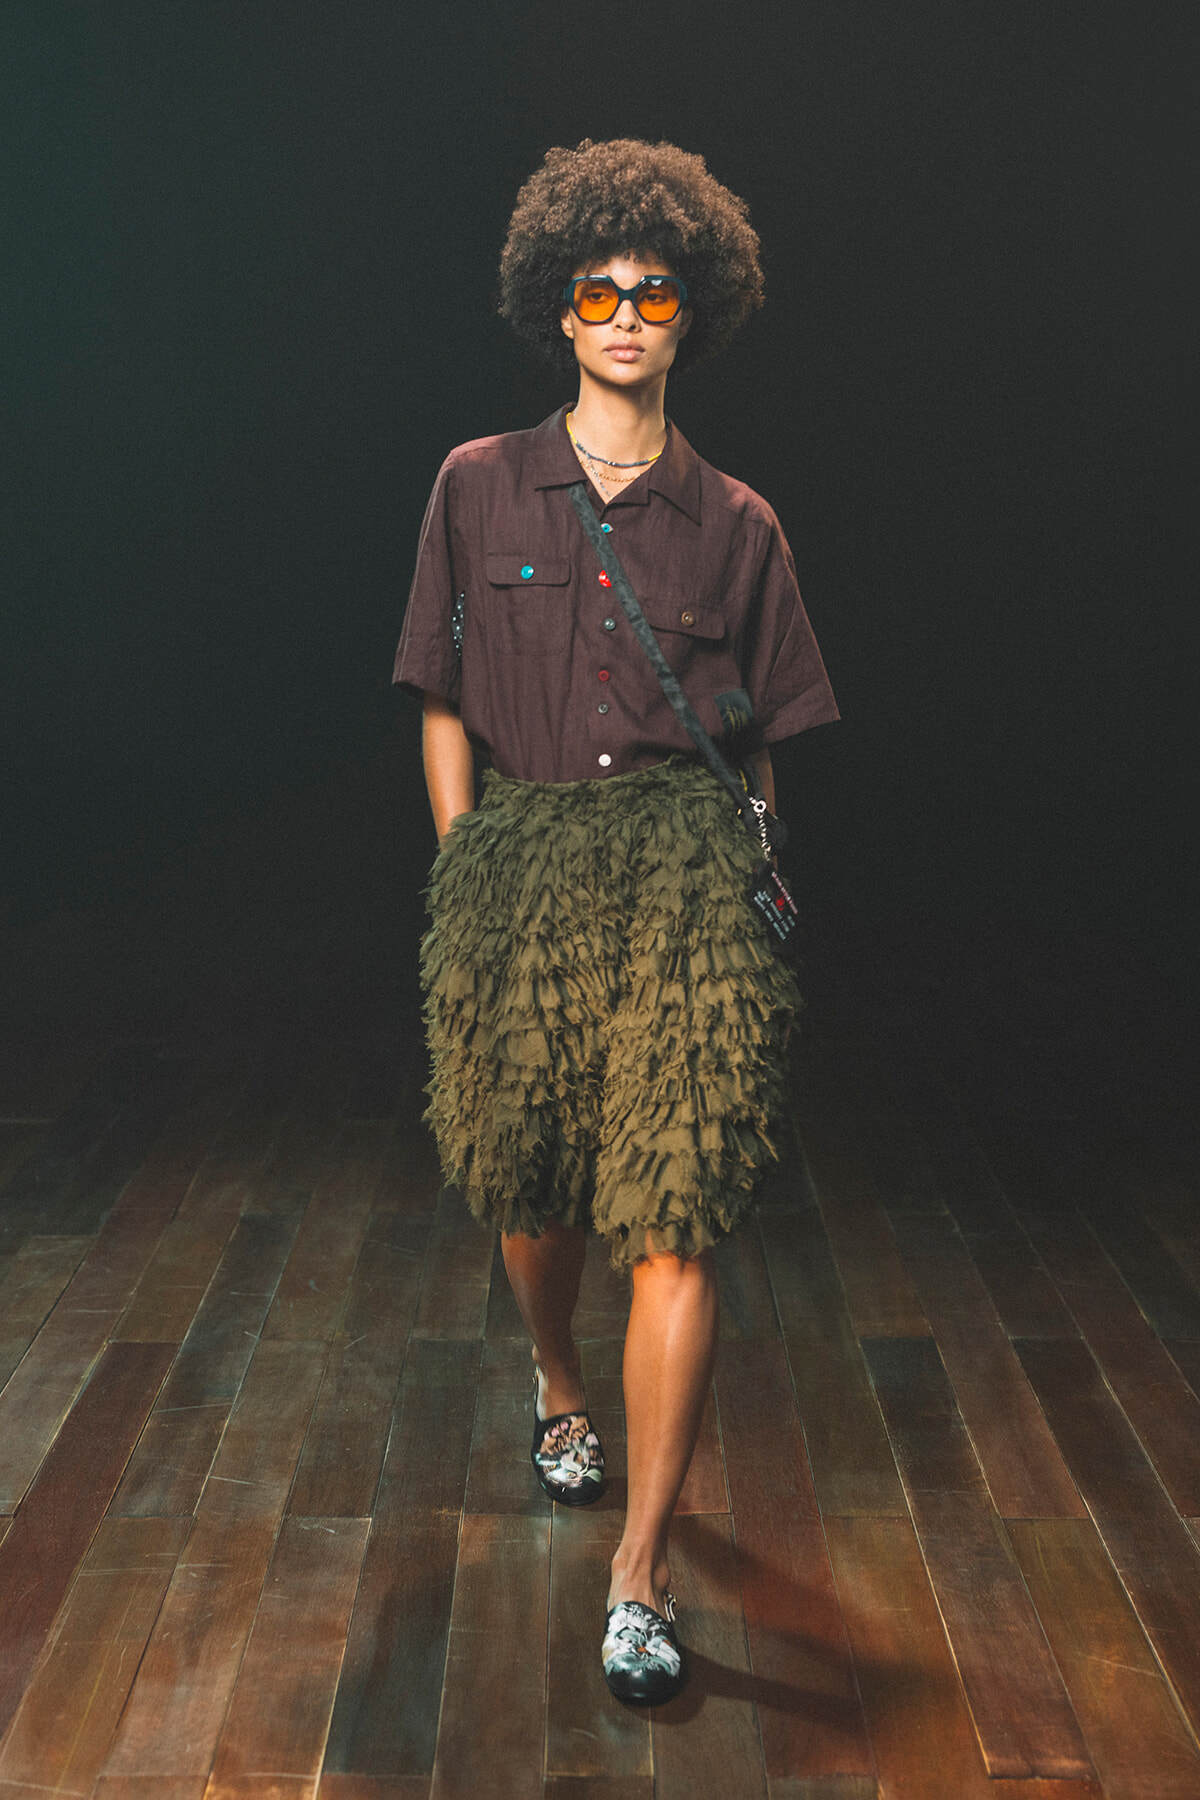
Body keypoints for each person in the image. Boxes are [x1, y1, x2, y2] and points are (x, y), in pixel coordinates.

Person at [393, 137, 838, 1705]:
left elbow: (761, 737)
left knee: (680, 1206)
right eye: (601, 291)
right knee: (533, 1190)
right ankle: (556, 1375)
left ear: (689, 310)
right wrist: (467, 862)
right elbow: (439, 692)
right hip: (522, 860)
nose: (628, 314)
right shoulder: (475, 484)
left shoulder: (740, 523)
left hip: (686, 874)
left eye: (654, 290)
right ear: (559, 309)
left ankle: (641, 1572)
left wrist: (755, 877)